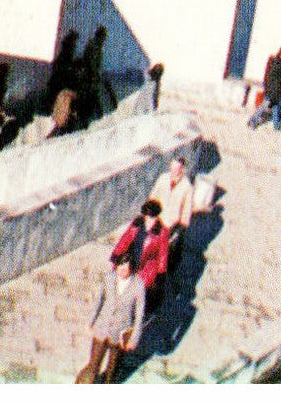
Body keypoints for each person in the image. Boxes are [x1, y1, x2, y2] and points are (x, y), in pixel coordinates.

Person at [76, 253, 145, 384]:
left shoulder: (138, 284)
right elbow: (98, 301)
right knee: (93, 364)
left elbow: (139, 314)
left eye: (125, 268)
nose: (122, 271)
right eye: (120, 267)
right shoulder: (108, 278)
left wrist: (134, 338)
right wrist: (90, 322)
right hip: (103, 327)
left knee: (112, 370)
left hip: (120, 333)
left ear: (131, 269)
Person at [110, 200, 170, 299]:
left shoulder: (162, 232)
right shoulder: (137, 223)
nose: (149, 219)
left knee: (138, 293)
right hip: (131, 259)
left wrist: (161, 274)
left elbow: (163, 255)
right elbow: (125, 238)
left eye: (152, 216)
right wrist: (116, 253)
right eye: (147, 215)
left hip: (147, 267)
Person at [148, 157, 194, 279]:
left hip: (173, 225)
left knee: (171, 255)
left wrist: (181, 228)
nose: (173, 172)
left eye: (177, 169)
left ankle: (169, 276)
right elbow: (153, 196)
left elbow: (187, 210)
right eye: (172, 168)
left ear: (182, 169)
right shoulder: (163, 178)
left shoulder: (187, 187)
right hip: (159, 220)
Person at [248, 47, 281, 130]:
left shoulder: (278, 62)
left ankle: (274, 125)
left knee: (271, 107)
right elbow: (278, 78)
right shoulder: (277, 63)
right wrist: (278, 88)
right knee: (266, 107)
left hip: (274, 90)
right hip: (272, 90)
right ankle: (254, 122)